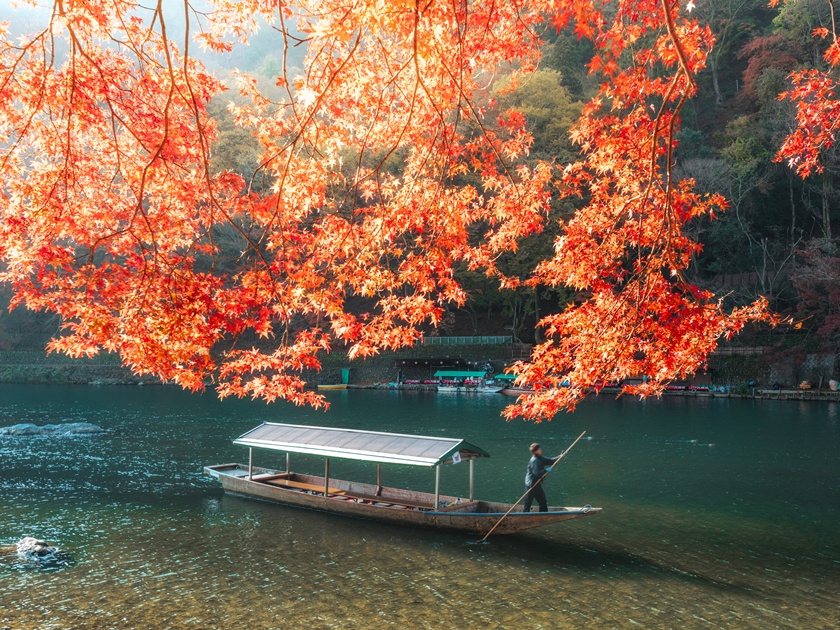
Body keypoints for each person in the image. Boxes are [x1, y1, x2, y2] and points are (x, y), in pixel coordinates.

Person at [523, 442, 561, 512]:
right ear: (535, 451)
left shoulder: (540, 458)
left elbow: (551, 461)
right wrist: (547, 470)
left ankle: (543, 515)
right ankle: (523, 518)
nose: (541, 449)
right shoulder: (534, 460)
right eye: (539, 448)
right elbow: (537, 473)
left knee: (543, 501)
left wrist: (560, 456)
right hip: (531, 485)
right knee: (527, 505)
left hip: (536, 484)